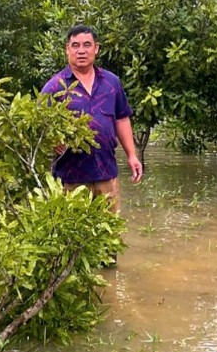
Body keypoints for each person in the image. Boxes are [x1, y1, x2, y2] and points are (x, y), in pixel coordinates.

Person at [41, 25, 142, 212]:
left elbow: (122, 118)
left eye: (87, 45)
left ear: (96, 48)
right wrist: (51, 140)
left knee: (110, 235)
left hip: (106, 174)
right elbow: (38, 126)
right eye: (75, 45)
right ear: (67, 49)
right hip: (70, 179)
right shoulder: (54, 87)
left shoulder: (111, 83)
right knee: (71, 237)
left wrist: (132, 155)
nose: (81, 51)